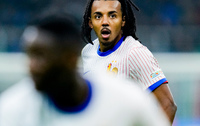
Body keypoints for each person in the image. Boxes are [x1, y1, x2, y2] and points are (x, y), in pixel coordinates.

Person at [0, 13, 170, 126]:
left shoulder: (125, 99)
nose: (32, 66)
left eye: (41, 56)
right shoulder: (12, 111)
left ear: (70, 58)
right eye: (29, 56)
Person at [81, 0, 177, 124]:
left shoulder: (135, 53)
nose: (105, 22)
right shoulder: (87, 52)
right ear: (90, 22)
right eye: (98, 16)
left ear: (123, 20)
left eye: (112, 15)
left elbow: (168, 105)